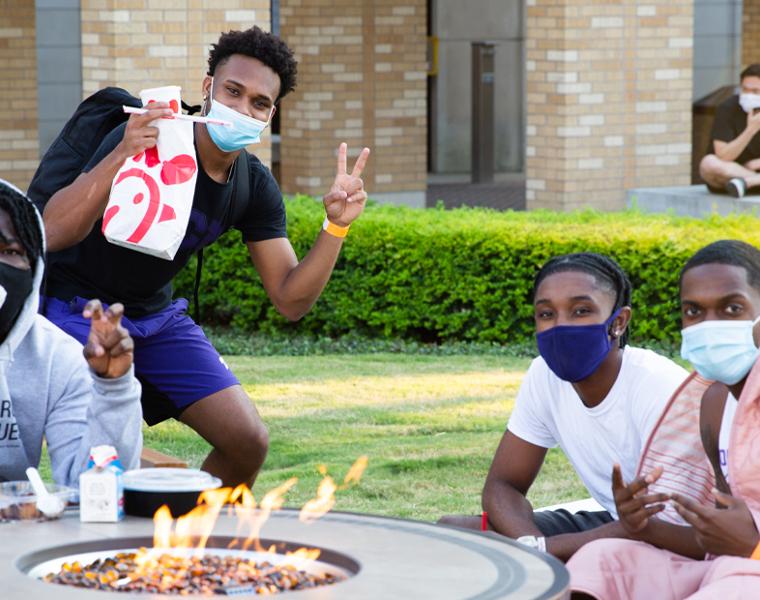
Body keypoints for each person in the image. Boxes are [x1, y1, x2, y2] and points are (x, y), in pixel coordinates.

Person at [35, 27, 370, 486]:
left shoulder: (253, 186)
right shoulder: (149, 133)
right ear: (208, 87)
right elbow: (51, 231)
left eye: (259, 103)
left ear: (271, 114)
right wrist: (122, 152)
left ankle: (193, 546)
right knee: (109, 454)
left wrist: (337, 225)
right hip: (80, 309)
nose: (242, 109)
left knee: (247, 440)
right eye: (233, 91)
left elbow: (290, 300)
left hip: (158, 318)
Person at [438, 253, 688, 561]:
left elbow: (660, 525)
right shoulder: (543, 376)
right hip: (612, 525)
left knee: (595, 566)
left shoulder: (659, 387)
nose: (560, 326)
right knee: (453, 534)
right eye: (546, 314)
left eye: (581, 311)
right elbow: (503, 486)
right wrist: (533, 546)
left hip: (674, 539)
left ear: (619, 322)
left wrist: (544, 552)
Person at [567, 240, 760, 599]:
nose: (709, 325)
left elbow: (744, 546)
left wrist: (754, 548)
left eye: (732, 308)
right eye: (694, 311)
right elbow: (716, 542)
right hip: (727, 569)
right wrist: (642, 526)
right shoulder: (714, 404)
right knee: (602, 561)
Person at [0, 179, 142, 486]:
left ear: (34, 267)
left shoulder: (56, 357)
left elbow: (89, 487)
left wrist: (113, 388)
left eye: (10, 251)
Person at [700, 64, 760, 198]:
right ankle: (752, 181)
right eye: (745, 90)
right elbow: (723, 156)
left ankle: (748, 183)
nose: (749, 95)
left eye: (755, 91)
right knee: (708, 163)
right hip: (731, 176)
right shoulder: (727, 108)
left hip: (746, 178)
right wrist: (750, 130)